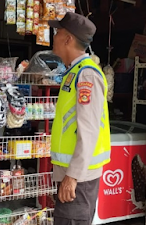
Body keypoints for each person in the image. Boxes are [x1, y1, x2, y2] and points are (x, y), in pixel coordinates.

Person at [48, 12, 111, 225]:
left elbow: (89, 129)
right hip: (74, 175)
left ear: (68, 39)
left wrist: (72, 177)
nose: (53, 36)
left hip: (79, 179)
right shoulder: (74, 72)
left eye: (57, 32)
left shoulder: (87, 75)